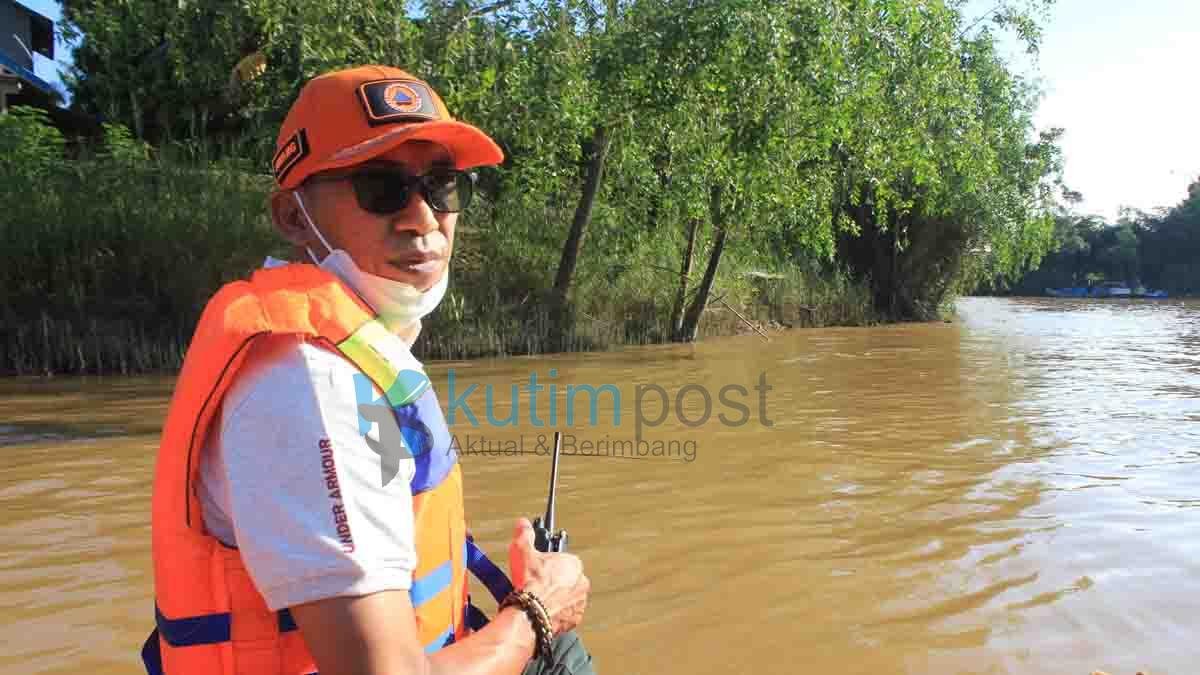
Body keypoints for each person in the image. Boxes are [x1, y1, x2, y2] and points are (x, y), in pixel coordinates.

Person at [142, 65, 593, 675]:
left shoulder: (356, 350)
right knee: (556, 647)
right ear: (293, 216)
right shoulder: (309, 388)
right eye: (381, 187)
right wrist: (537, 612)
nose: (423, 217)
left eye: (441, 185)